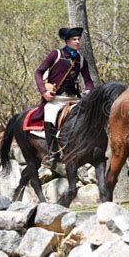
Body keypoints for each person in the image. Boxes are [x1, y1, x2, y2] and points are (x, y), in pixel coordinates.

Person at [33, 27, 95, 168]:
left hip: (74, 98)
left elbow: (88, 80)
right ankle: (52, 154)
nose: (77, 41)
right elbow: (38, 72)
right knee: (49, 113)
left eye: (79, 39)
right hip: (55, 100)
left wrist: (90, 90)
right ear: (67, 41)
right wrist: (44, 92)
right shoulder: (56, 54)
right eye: (74, 39)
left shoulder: (81, 59)